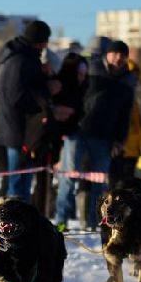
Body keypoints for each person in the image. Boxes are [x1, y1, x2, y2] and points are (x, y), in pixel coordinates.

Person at [0, 20, 71, 202]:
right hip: (19, 131)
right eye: (45, 41)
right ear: (39, 41)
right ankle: (14, 225)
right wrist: (46, 92)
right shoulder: (20, 60)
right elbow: (17, 96)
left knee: (22, 185)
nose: (46, 46)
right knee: (18, 186)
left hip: (24, 131)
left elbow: (26, 88)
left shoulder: (22, 56)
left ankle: (21, 224)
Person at [74, 39, 135, 228]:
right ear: (107, 54)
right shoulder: (91, 69)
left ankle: (93, 222)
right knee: (69, 177)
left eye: (123, 56)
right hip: (79, 130)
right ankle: (62, 220)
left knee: (99, 181)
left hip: (105, 137)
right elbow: (75, 95)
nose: (119, 58)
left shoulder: (128, 80)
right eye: (115, 53)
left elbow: (126, 114)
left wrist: (120, 140)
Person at [53, 52, 88, 229]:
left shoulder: (84, 88)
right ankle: (61, 219)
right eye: (79, 74)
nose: (82, 77)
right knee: (68, 177)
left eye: (84, 74)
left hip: (80, 134)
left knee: (72, 178)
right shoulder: (64, 87)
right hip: (68, 136)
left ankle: (68, 215)